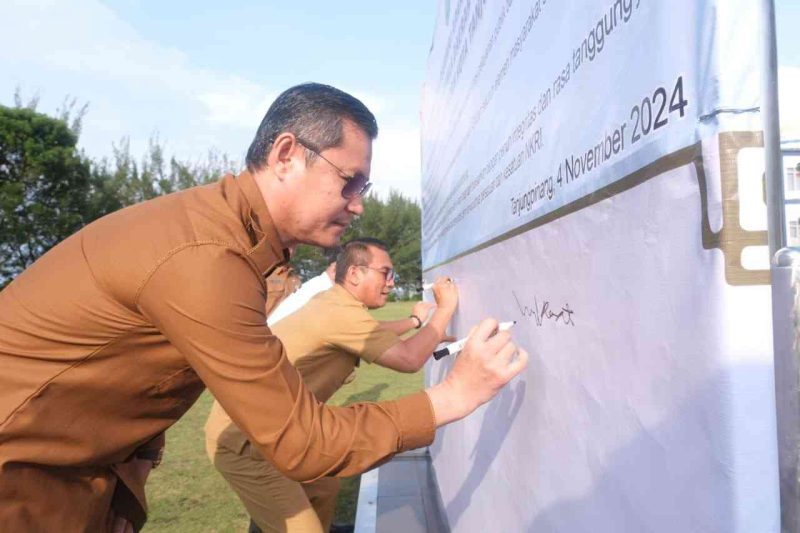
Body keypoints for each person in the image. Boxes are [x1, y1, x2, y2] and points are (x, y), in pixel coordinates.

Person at [0, 83, 528, 532]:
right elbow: (304, 442)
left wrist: (126, 476)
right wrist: (454, 396)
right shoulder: (207, 258)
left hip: (71, 478)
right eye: (350, 181)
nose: (360, 204)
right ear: (285, 155)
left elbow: (139, 372)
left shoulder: (227, 239)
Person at [205, 237, 456, 533]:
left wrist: (421, 327)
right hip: (247, 442)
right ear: (354, 273)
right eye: (385, 273)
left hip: (278, 429)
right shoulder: (338, 312)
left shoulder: (336, 304)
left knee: (323, 486)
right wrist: (445, 310)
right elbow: (410, 359)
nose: (391, 282)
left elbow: (372, 333)